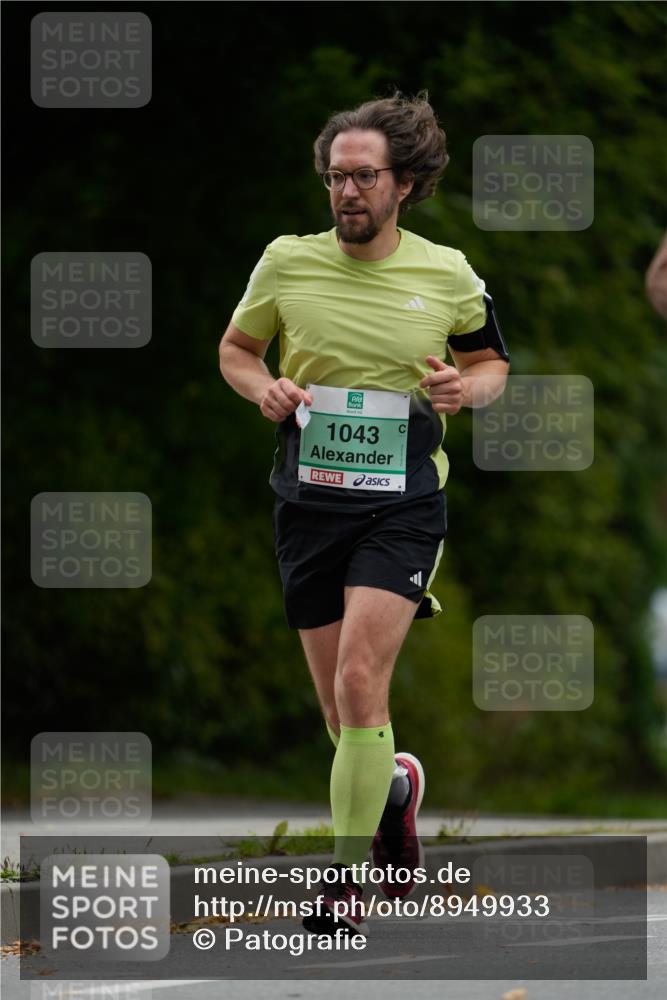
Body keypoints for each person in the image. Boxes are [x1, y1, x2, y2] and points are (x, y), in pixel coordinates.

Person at [218, 90, 510, 937]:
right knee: (343, 717)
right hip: (308, 504)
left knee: (358, 682)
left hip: (404, 506)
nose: (346, 192)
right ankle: (393, 788)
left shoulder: (446, 271)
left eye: (363, 177)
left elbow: (490, 363)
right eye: (335, 177)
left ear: (405, 184)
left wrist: (468, 389)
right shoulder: (286, 261)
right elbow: (238, 352)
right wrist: (262, 386)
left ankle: (342, 885)